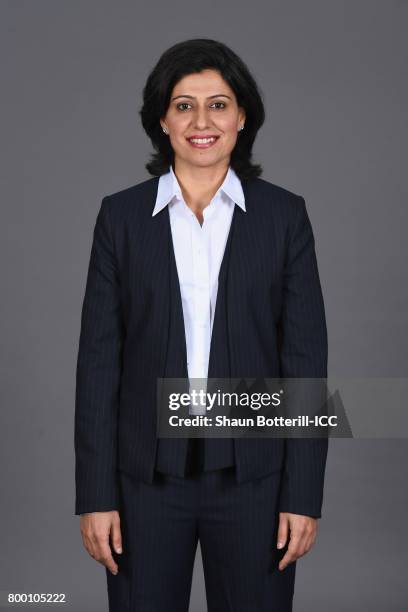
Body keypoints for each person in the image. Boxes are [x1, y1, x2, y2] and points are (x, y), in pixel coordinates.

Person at [74, 38, 329, 611]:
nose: (202, 121)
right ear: (162, 119)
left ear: (242, 117)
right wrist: (94, 495)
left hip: (255, 481)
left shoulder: (284, 217)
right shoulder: (121, 218)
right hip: (142, 483)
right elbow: (98, 362)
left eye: (218, 103)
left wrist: (303, 495)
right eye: (184, 105)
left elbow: (305, 360)